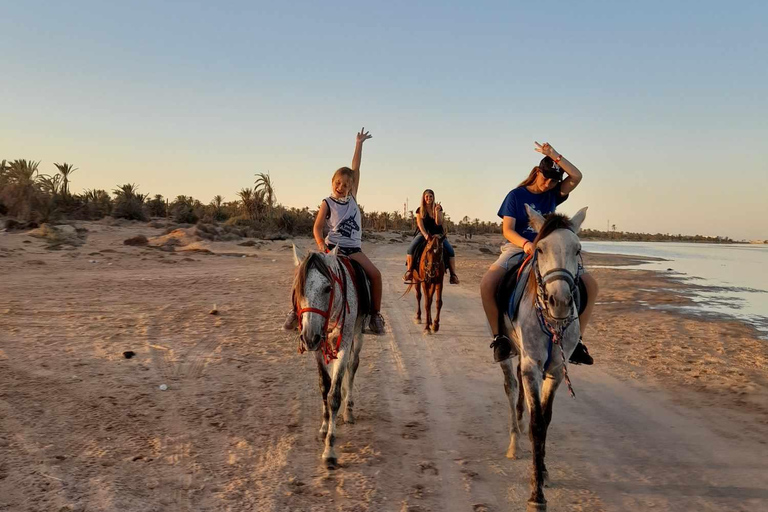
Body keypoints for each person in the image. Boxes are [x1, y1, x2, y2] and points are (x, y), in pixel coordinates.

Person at [479, 142, 598, 364]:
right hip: (518, 247)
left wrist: (554, 154)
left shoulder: (554, 194)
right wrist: (525, 244)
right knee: (487, 283)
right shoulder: (515, 196)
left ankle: (577, 341)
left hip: (551, 250)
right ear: (536, 172)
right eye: (546, 178)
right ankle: (499, 337)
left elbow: (577, 176)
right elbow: (507, 230)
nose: (549, 184)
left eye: (554, 180)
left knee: (591, 285)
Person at [284, 128, 386, 334]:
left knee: (375, 275)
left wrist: (359, 144)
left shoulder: (353, 198)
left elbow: (356, 168)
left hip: (353, 250)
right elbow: (317, 227)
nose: (342, 186)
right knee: (301, 272)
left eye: (346, 184)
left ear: (352, 187)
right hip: (331, 248)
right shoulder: (327, 203)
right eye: (338, 182)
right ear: (332, 183)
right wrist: (322, 245)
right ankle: (294, 312)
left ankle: (375, 315)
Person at [403, 189, 459, 285]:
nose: (429, 198)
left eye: (431, 196)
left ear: (433, 198)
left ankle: (453, 275)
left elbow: (439, 222)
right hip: (424, 233)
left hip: (438, 234)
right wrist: (425, 235)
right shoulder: (419, 210)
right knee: (411, 249)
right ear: (424, 198)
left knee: (450, 250)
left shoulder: (438, 208)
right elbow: (420, 225)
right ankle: (409, 272)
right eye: (427, 196)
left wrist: (437, 212)